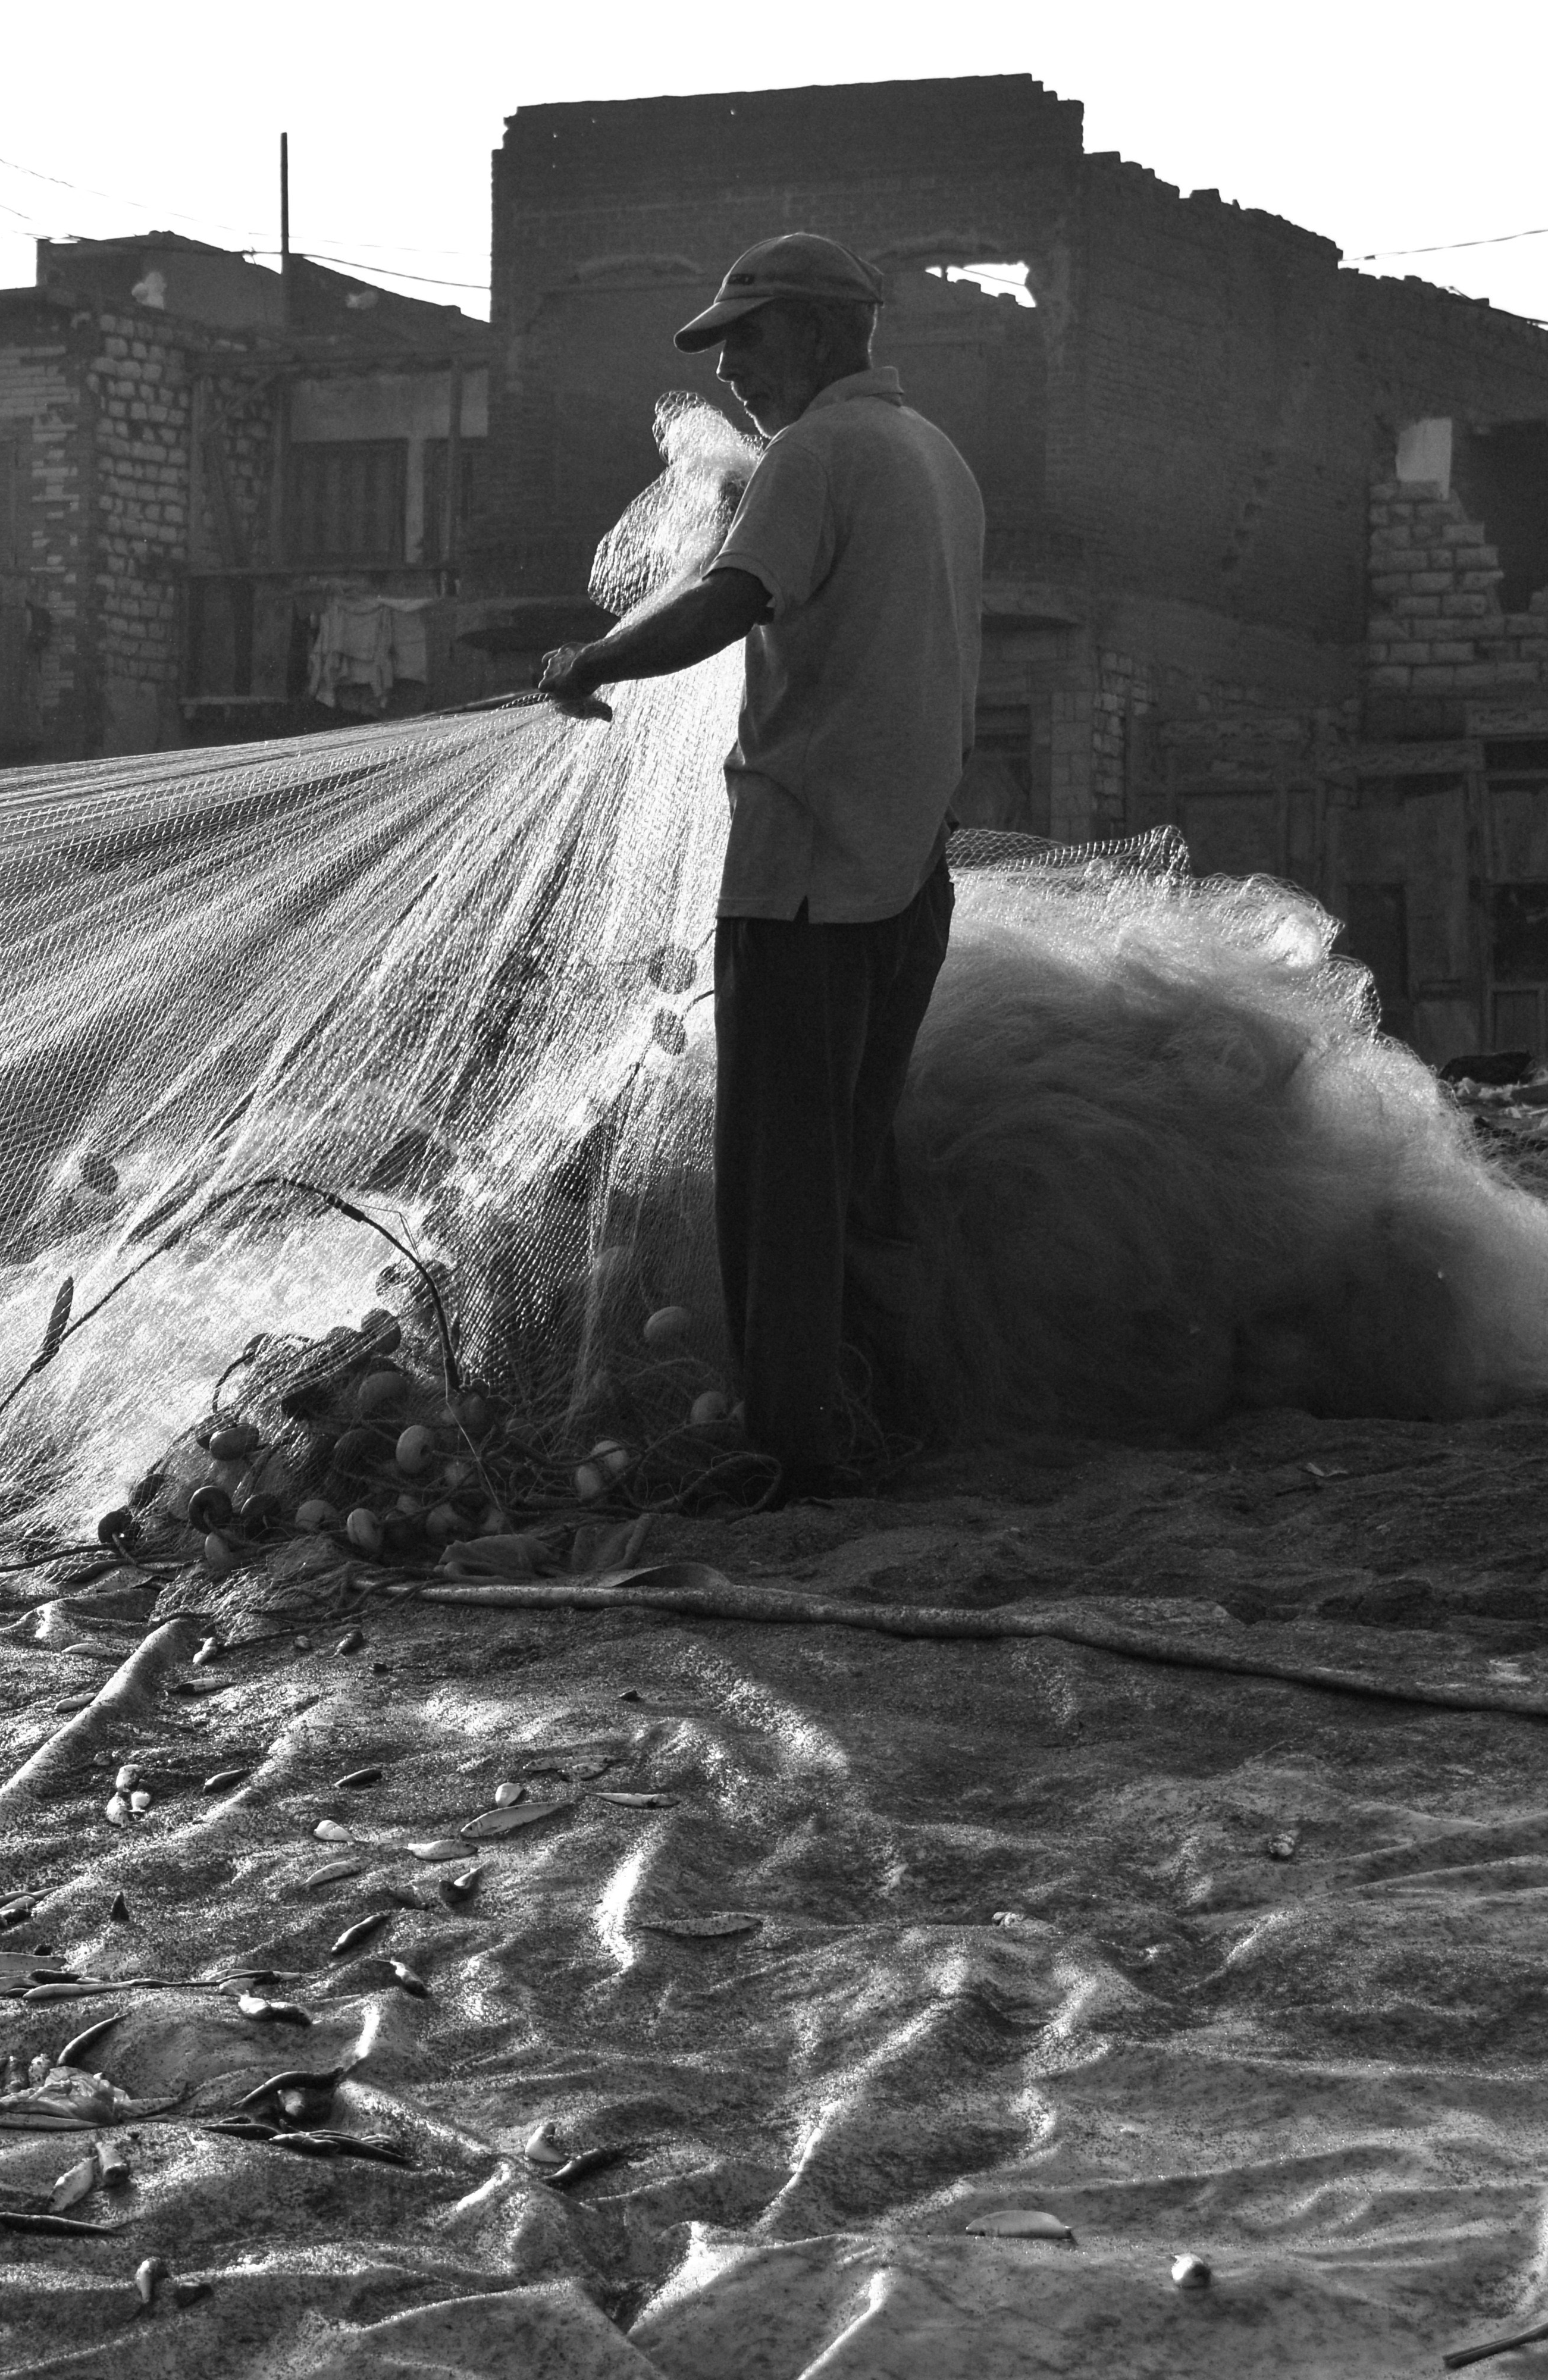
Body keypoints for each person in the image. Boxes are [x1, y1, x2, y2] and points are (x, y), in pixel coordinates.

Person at [535, 233, 985, 1502]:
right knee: (858, 1162)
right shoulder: (938, 458)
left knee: (782, 1180)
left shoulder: (818, 454)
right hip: (909, 868)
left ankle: (796, 1446)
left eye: (749, 333)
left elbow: (728, 601)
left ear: (822, 332)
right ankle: (894, 1407)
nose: (731, 365)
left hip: (806, 875)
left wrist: (593, 662)